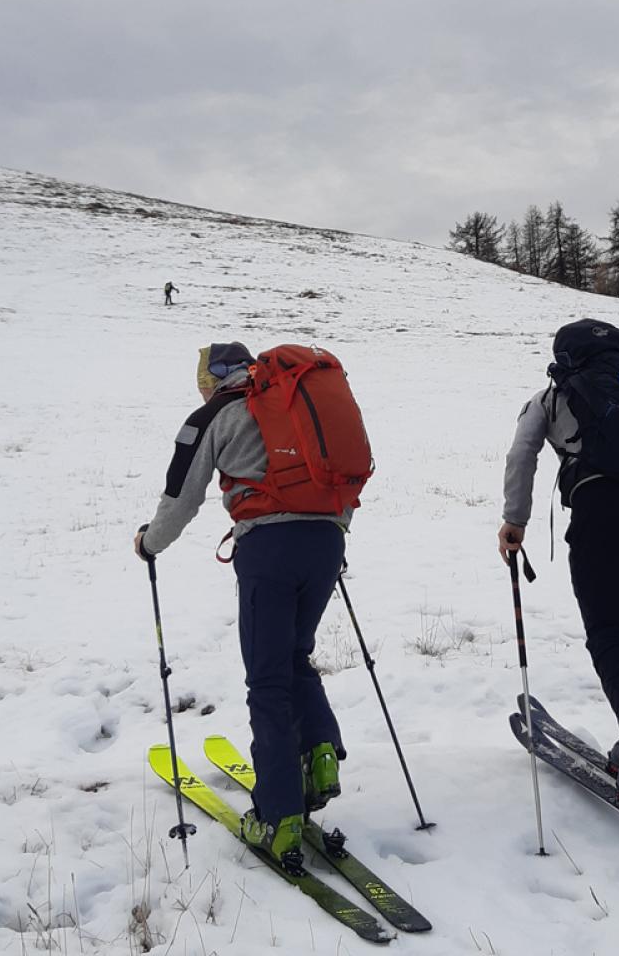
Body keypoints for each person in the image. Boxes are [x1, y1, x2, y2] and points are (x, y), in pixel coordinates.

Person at [133, 342, 356, 868]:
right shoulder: (299, 404)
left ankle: (277, 819)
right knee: (296, 656)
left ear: (213, 378)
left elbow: (182, 495)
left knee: (268, 679)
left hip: (269, 550)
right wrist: (331, 534)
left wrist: (150, 543)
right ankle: (320, 755)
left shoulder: (216, 414)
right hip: (327, 542)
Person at [498, 318, 619, 800]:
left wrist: (515, 521)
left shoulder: (553, 396)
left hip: (600, 510)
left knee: (608, 630)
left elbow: (522, 454)